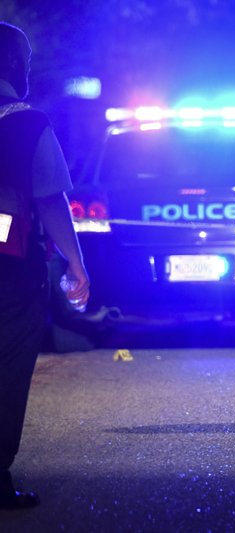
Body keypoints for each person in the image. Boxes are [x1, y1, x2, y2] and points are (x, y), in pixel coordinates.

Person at [0, 21, 89, 510]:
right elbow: (50, 201)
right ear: (12, 64)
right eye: (27, 63)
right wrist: (76, 264)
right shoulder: (27, 122)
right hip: (10, 272)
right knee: (6, 371)